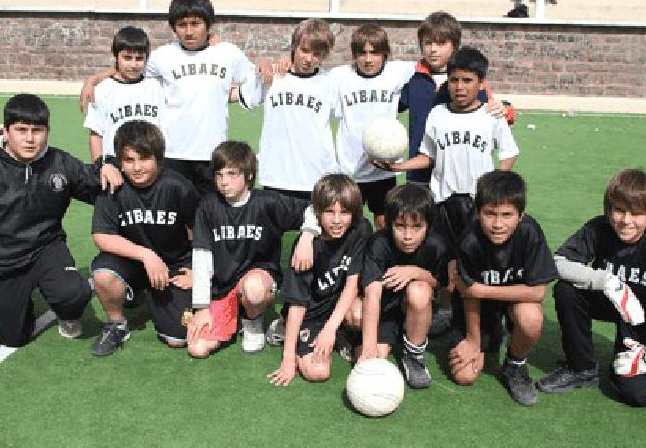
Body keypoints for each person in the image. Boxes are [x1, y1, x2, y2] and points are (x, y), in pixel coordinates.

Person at [0, 93, 122, 347]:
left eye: (37, 130)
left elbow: (98, 187)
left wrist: (108, 165)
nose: (30, 138)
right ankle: (19, 305)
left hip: (46, 248)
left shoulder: (59, 162)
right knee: (12, 338)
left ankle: (67, 314)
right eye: (21, 130)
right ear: (5, 131)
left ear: (48, 131)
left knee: (73, 294)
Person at [80, 0, 265, 196]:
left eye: (195, 24)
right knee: (175, 219)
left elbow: (254, 80)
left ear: (208, 24)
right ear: (173, 28)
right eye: (182, 25)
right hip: (172, 154)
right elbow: (131, 67)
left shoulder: (227, 53)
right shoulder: (163, 56)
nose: (189, 31)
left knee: (209, 216)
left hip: (212, 153)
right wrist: (93, 79)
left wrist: (265, 66)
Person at [537, 169, 646, 408]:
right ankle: (582, 367)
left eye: (636, 213)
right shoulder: (599, 228)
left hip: (642, 318)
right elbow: (558, 263)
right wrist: (608, 282)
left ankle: (630, 352)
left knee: (636, 395)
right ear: (609, 210)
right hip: (610, 300)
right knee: (567, 290)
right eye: (619, 210)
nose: (626, 220)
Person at [397, 13, 499, 335]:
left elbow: (491, 111)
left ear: (454, 46)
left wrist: (506, 109)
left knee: (466, 245)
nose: (433, 49)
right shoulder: (414, 81)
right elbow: (388, 104)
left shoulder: (463, 81)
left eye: (441, 43)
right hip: (421, 176)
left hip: (458, 182)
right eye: (428, 43)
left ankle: (475, 310)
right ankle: (437, 304)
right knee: (433, 246)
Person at [377, 46, 519, 258]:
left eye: (467, 80)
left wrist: (493, 188)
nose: (459, 87)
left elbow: (509, 153)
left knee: (475, 259)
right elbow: (429, 156)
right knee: (444, 264)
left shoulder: (492, 115)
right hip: (442, 202)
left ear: (481, 83)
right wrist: (398, 167)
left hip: (477, 202)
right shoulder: (437, 114)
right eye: (454, 80)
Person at [186, 141, 320, 357]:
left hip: (257, 279)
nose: (224, 182)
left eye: (232, 174)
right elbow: (202, 256)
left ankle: (252, 321)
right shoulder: (208, 206)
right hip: (223, 285)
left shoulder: (267, 202)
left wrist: (307, 235)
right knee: (197, 348)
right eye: (219, 175)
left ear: (249, 175)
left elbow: (315, 207)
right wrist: (201, 308)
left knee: (254, 289)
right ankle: (234, 314)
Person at [89, 121, 200, 356]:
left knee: (178, 340)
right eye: (129, 160)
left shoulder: (178, 186)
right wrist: (146, 255)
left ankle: (154, 295)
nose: (137, 167)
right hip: (132, 261)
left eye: (144, 158)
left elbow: (201, 232)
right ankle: (116, 324)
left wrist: (196, 269)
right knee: (104, 276)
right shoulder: (113, 186)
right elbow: (101, 235)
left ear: (159, 158)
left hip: (173, 265)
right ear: (119, 161)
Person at [447, 170, 557, 406]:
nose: (498, 224)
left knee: (531, 319)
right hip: (479, 308)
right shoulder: (470, 241)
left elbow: (537, 292)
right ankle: (490, 335)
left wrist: (483, 290)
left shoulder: (530, 232)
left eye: (507, 215)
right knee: (464, 376)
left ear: (521, 214)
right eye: (490, 214)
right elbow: (469, 297)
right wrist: (473, 340)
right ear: (477, 213)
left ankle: (515, 364)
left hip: (514, 301)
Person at [268, 174, 372, 386]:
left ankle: (338, 334)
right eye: (329, 212)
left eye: (344, 212)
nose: (336, 220)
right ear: (317, 213)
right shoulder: (306, 247)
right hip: (310, 313)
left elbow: (352, 285)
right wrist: (288, 358)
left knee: (361, 313)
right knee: (318, 372)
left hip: (338, 307)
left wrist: (330, 329)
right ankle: (286, 329)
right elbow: (297, 303)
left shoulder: (360, 230)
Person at [358, 184, 452, 389]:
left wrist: (415, 272)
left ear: (428, 225)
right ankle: (370, 340)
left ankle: (414, 354)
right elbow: (372, 294)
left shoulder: (436, 245)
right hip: (384, 309)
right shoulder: (378, 244)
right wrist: (369, 347)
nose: (408, 236)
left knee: (419, 291)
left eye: (416, 227)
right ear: (389, 224)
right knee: (376, 354)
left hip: (414, 306)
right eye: (400, 226)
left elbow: (440, 283)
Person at [331, 23, 415, 230]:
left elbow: (437, 68)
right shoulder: (339, 76)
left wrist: (491, 98)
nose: (368, 59)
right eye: (362, 53)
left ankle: (384, 259)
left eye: (374, 53)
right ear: (354, 54)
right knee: (348, 223)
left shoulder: (399, 71)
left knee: (384, 221)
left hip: (384, 167)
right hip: (350, 169)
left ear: (385, 54)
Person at [245, 18, 339, 201]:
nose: (309, 59)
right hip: (276, 175)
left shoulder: (330, 82)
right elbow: (243, 94)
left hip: (317, 177)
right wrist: (262, 62)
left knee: (315, 229)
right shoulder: (272, 76)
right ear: (294, 46)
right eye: (304, 50)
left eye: (317, 54)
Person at [83, 26, 164, 162]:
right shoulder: (102, 90)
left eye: (139, 58)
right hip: (115, 163)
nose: (133, 64)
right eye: (127, 58)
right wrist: (98, 167)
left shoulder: (157, 86)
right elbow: (96, 134)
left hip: (150, 162)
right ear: (116, 56)